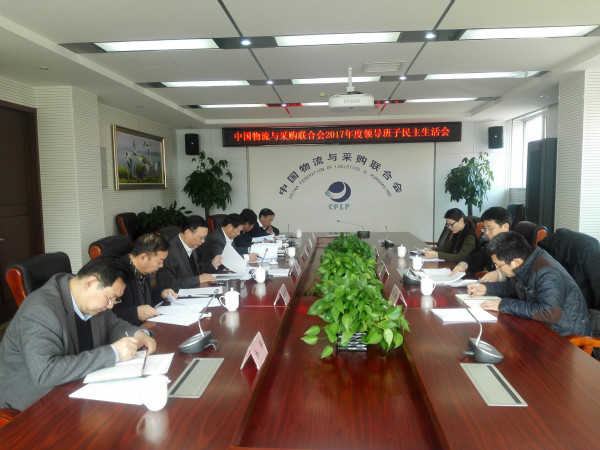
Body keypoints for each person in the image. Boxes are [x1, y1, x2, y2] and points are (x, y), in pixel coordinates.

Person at [0, 255, 156, 412]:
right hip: (32, 401)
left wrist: (138, 334)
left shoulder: (91, 301)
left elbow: (113, 325)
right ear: (90, 283)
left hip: (75, 386)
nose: (111, 306)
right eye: (110, 298)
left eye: (115, 300)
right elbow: (45, 373)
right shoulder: (40, 310)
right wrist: (113, 353)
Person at [467, 231, 589, 336]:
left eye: (498, 265)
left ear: (515, 262)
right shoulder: (525, 262)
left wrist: (503, 304)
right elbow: (516, 288)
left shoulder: (547, 272)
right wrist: (487, 289)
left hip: (565, 336)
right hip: (541, 326)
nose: (497, 269)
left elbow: (550, 313)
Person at [112, 233, 178, 325]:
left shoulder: (142, 269)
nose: (161, 265)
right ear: (143, 257)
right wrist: (135, 313)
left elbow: (144, 296)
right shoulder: (118, 273)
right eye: (159, 261)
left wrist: (162, 293)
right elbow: (107, 315)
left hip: (147, 324)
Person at [156, 215, 222, 291]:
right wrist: (197, 279)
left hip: (194, 290)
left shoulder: (191, 244)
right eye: (201, 238)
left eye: (204, 238)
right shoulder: (169, 252)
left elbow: (195, 272)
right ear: (188, 233)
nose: (203, 241)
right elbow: (168, 284)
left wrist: (212, 265)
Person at [450, 206, 511, 281]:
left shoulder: (516, 247)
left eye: (490, 228)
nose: (487, 233)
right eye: (485, 229)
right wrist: (463, 265)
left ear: (505, 227)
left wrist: (499, 275)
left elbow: (517, 276)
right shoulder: (491, 245)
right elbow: (475, 258)